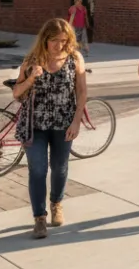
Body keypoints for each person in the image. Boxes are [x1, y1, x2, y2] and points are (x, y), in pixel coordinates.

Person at [11, 19, 87, 239]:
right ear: (45, 39)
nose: (60, 45)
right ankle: (39, 217)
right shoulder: (33, 60)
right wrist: (31, 78)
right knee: (38, 170)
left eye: (64, 41)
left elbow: (81, 92)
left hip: (64, 124)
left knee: (60, 168)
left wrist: (76, 121)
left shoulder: (74, 59)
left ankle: (56, 203)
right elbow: (16, 93)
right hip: (35, 125)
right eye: (55, 41)